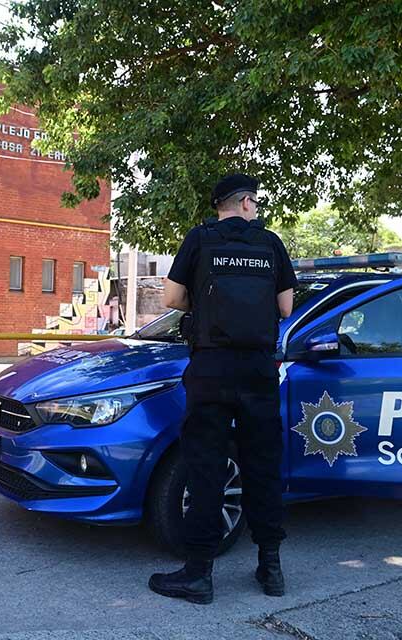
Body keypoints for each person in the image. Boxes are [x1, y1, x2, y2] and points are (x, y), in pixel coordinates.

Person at [148, 173, 297, 604]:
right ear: (247, 203)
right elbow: (285, 306)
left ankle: (199, 574)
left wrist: (207, 302)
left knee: (206, 467)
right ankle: (271, 568)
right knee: (262, 465)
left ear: (219, 206)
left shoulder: (200, 239)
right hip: (258, 370)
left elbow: (171, 300)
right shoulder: (270, 243)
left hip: (211, 367)